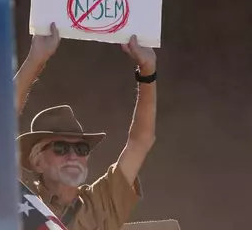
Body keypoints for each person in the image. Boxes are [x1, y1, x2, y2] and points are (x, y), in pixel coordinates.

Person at [15, 23, 157, 230]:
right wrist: (36, 60)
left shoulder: (101, 203)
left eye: (81, 149)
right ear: (37, 162)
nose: (73, 156)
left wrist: (148, 71)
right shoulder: (20, 199)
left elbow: (140, 142)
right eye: (61, 148)